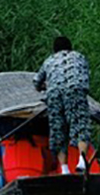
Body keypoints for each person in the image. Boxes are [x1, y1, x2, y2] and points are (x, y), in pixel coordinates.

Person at [33, 36, 92, 174]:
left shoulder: (49, 60)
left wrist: (45, 86)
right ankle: (82, 160)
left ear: (54, 50)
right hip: (75, 90)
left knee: (58, 129)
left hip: (55, 93)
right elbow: (86, 75)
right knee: (80, 124)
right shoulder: (79, 57)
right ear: (70, 47)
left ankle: (64, 169)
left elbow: (36, 82)